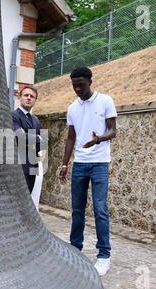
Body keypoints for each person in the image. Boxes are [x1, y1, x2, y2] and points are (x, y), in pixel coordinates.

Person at [59, 67, 117, 276]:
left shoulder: (105, 101)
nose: (77, 88)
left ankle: (103, 255)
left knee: (100, 208)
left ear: (90, 82)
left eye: (81, 84)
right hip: (80, 164)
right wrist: (65, 164)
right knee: (77, 209)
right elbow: (71, 138)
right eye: (74, 85)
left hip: (100, 162)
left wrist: (98, 139)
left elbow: (113, 130)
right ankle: (75, 248)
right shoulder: (72, 108)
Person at [12, 86, 43, 194]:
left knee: (29, 200)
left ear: (35, 100)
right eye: (26, 95)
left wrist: (30, 140)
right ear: (20, 98)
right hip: (19, 166)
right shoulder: (13, 116)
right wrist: (37, 138)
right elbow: (19, 137)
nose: (29, 98)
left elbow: (41, 145)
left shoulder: (36, 120)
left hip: (33, 165)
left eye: (32, 96)